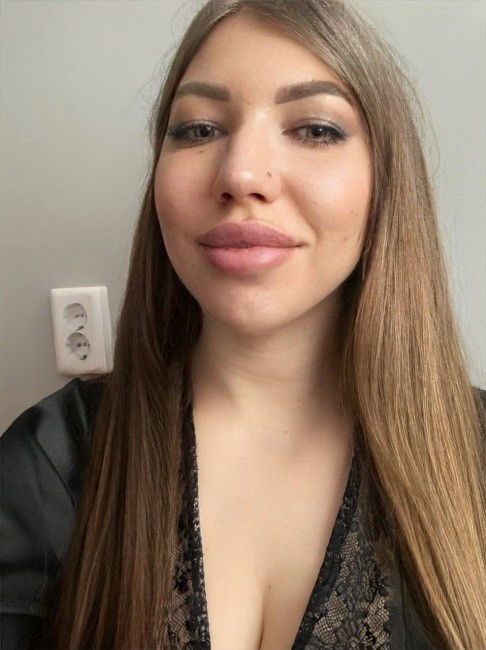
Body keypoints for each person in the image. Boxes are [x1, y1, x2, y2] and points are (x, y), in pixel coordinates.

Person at [1, 0, 485, 648]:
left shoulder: (476, 460)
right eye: (199, 129)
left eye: (315, 129)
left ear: (384, 180)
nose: (240, 174)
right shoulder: (49, 463)